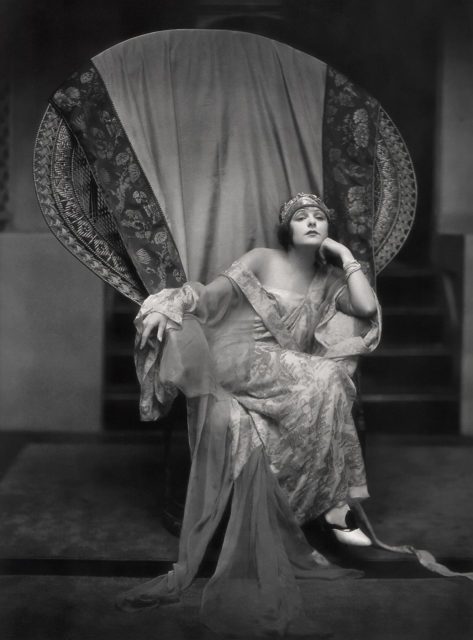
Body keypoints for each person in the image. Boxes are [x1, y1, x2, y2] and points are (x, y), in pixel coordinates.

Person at [117, 193, 381, 636]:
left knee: (333, 379)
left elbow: (368, 309)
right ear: (287, 228)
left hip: (287, 372)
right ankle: (336, 507)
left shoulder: (330, 278)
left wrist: (347, 255)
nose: (312, 222)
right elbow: (212, 297)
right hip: (240, 357)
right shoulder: (262, 258)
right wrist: (173, 304)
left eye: (319, 217)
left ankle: (323, 506)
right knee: (327, 378)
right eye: (302, 217)